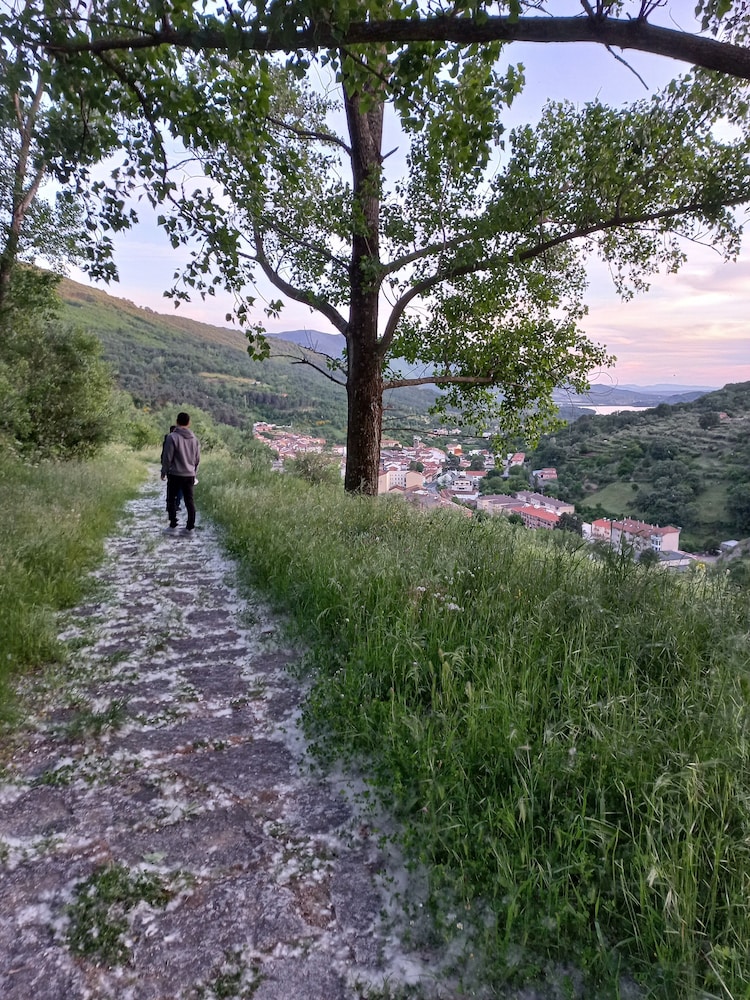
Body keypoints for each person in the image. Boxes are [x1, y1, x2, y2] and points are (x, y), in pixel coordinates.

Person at [160, 412, 200, 532]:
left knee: (171, 499)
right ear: (189, 423)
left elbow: (167, 457)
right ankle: (190, 526)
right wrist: (194, 473)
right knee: (189, 501)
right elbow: (197, 459)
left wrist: (164, 471)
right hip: (189, 474)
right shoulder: (194, 439)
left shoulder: (172, 437)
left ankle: (173, 524)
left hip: (175, 474)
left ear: (177, 422)